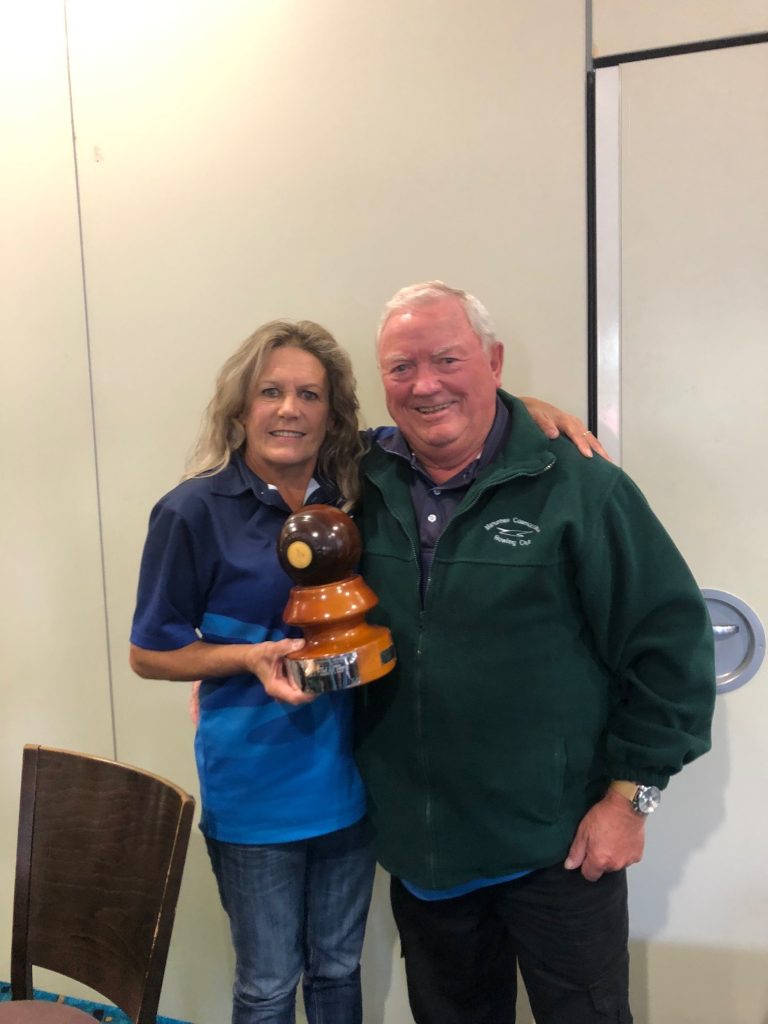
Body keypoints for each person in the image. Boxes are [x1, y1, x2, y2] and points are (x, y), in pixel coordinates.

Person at [129, 316, 597, 1024]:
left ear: (333, 413)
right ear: (239, 407)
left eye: (310, 395)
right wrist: (246, 658)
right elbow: (149, 651)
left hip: (353, 782)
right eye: (270, 392)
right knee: (267, 983)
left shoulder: (357, 486)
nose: (289, 410)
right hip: (255, 787)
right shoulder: (193, 510)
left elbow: (447, 418)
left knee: (337, 969)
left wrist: (524, 409)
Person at [350, 281, 716, 1024]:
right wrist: (228, 660)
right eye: (401, 367)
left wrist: (632, 800)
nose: (425, 385)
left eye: (448, 359)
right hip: (426, 857)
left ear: (494, 362)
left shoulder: (581, 487)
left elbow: (671, 647)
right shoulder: (358, 481)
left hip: (561, 851)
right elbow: (259, 477)